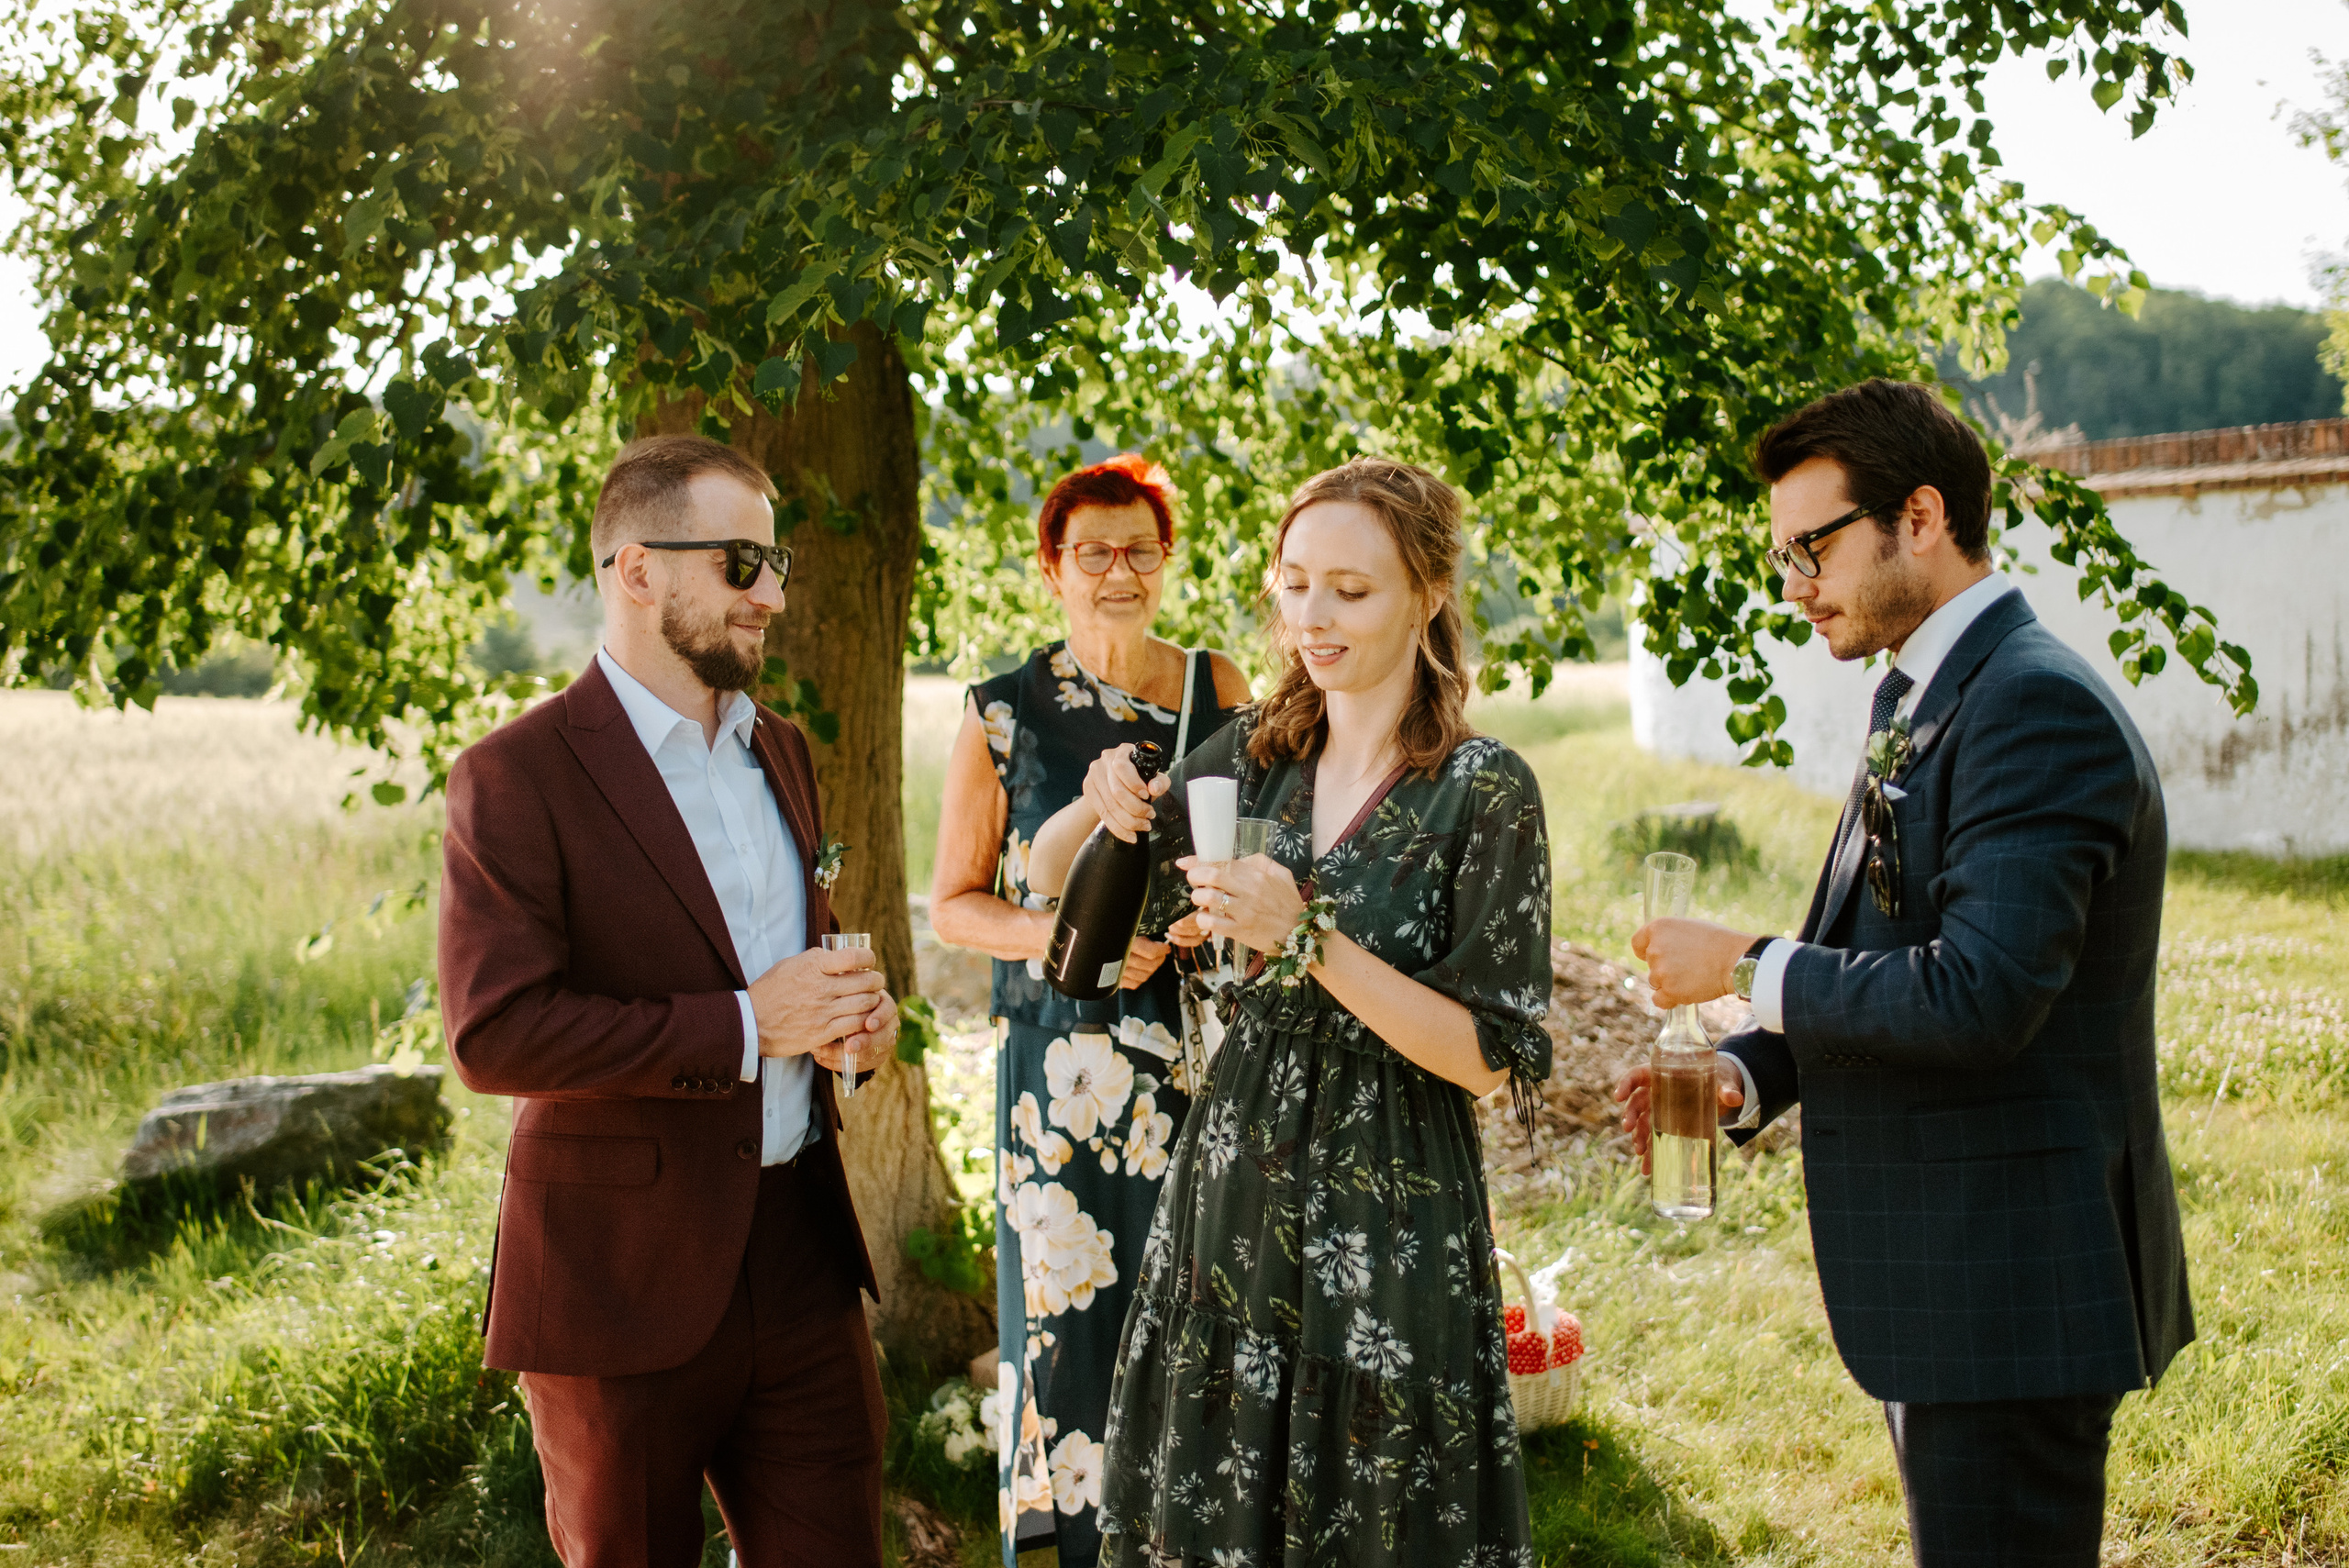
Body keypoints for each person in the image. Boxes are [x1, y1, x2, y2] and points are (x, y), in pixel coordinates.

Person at [1616, 379, 2193, 1568]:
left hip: (2010, 1285)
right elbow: (1884, 949)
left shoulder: (2032, 703)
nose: (1793, 584)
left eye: (1812, 547)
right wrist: (1750, 1071)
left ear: (1919, 516)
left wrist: (1741, 962)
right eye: (1781, 555)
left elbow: (1981, 995)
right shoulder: (1920, 688)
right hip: (1947, 1277)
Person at [1026, 455, 1553, 1565]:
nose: (1312, 616)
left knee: (1373, 1510)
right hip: (1234, 1192)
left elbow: (1486, 1056)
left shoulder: (1484, 786)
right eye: (1295, 582)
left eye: (1349, 590)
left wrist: (1306, 936)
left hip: (1391, 1207)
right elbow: (1054, 881)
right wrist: (1096, 805)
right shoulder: (1256, 755)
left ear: (1426, 593)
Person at [438, 434, 902, 1567]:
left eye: (775, 562)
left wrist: (851, 1024)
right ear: (637, 570)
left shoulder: (782, 749)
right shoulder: (515, 774)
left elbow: (794, 965)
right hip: (615, 1274)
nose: (773, 594)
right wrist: (750, 1024)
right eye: (743, 563)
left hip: (801, 1254)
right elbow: (495, 1033)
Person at [930, 453, 1249, 1567]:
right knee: (1069, 1337)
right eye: (1093, 551)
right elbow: (954, 905)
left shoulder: (1217, 687)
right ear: (1052, 567)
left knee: (1200, 1318)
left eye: (1140, 549)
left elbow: (1257, 843)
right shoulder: (1002, 712)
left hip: (1194, 1062)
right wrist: (1076, 939)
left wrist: (1205, 918)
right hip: (1058, 1079)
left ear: (1165, 561)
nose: (1119, 570)